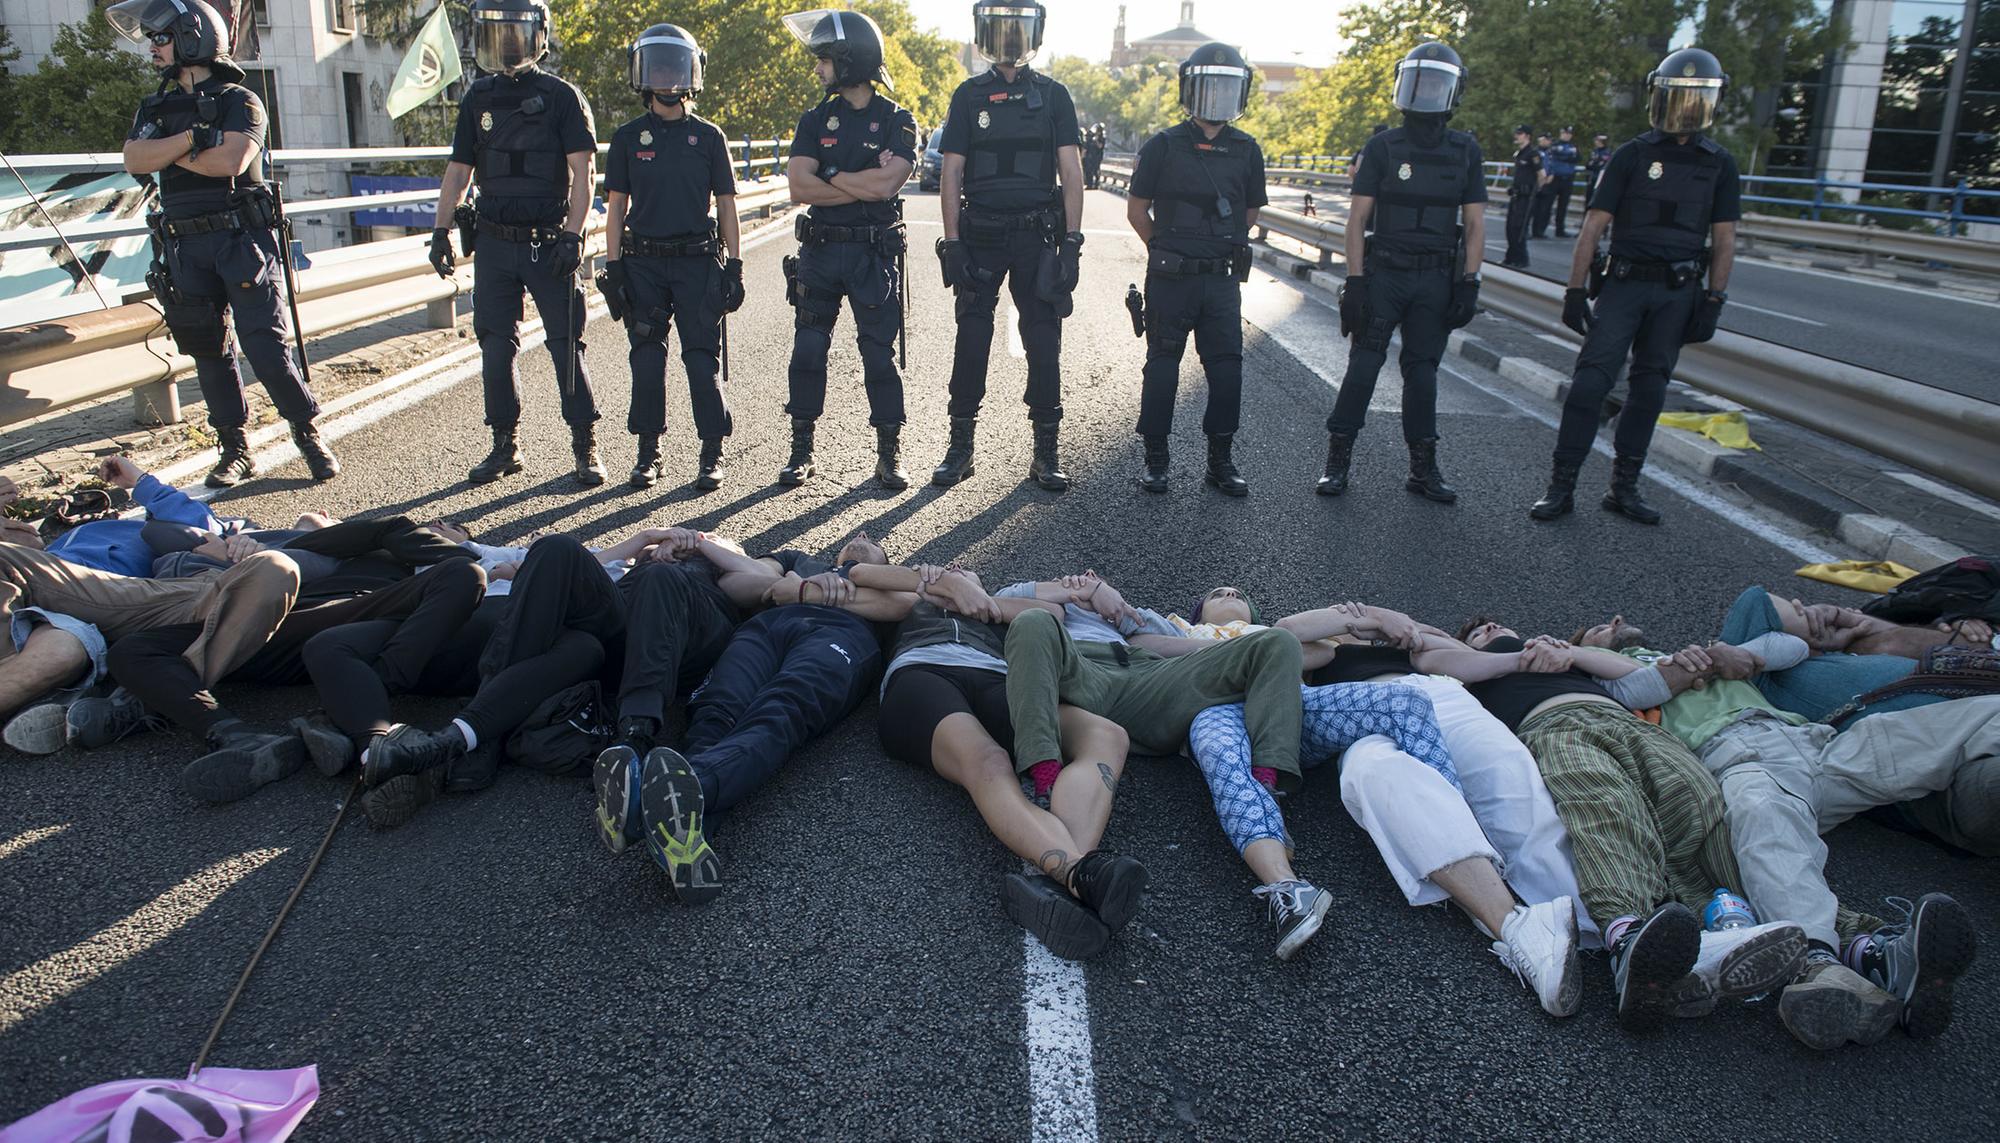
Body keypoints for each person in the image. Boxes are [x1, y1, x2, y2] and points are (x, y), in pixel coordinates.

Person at [1574, 612, 1985, 1043]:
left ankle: (1870, 962)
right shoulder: (1602, 685)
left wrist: (1739, 653)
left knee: (1981, 716)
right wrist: (1700, 663)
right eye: (1598, 626)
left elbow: (1791, 647)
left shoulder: (1695, 653)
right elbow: (1640, 687)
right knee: (1763, 817)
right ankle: (1819, 964)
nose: (1617, 619)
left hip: (1817, 743)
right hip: (1739, 756)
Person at [1450, 618, 1817, 1030]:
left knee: (1700, 805)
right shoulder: (1471, 671)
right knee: (1604, 806)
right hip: (1552, 726)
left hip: (1630, 725)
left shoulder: (1567, 659)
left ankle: (1752, 932)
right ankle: (1627, 933)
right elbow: (1442, 663)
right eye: (1478, 633)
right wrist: (1510, 657)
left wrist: (1569, 654)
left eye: (1494, 624)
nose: (1490, 629)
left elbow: (1643, 678)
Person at [110, 0, 338, 489]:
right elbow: (133, 158)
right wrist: (193, 139)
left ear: (192, 37)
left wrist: (169, 155)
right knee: (208, 351)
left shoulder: (241, 100)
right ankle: (235, 450)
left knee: (265, 347)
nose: (152, 47)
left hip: (240, 243)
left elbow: (231, 161)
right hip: (185, 248)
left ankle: (307, 432)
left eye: (161, 37)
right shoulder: (155, 105)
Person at [870, 565, 1138, 959]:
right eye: (949, 566)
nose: (957, 568)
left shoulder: (1005, 604)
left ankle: (1062, 879)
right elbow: (857, 573)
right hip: (922, 673)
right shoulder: (912, 596)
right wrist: (939, 583)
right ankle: (1074, 873)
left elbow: (1052, 614)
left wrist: (983, 601)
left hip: (999, 680)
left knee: (1108, 734)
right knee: (988, 759)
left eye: (967, 570)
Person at [1534, 47, 1741, 526]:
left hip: (1678, 293)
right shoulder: (1631, 155)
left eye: (1696, 99)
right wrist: (1574, 290)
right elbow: (1592, 227)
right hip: (1624, 287)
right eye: (1677, 97)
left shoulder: (1719, 164)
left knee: (1649, 392)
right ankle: (1560, 487)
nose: (1685, 109)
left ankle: (1622, 488)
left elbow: (1725, 238)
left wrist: (1714, 299)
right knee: (1589, 386)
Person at [428, 0, 603, 488]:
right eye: (495, 31)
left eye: (514, 31)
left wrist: (574, 235)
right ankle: (504, 445)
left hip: (550, 242)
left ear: (538, 34)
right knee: (494, 346)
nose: (506, 41)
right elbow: (459, 172)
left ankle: (585, 445)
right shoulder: (477, 96)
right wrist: (441, 230)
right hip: (495, 244)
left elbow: (584, 174)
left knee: (566, 344)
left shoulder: (562, 97)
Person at [1319, 41, 1482, 502]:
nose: (1427, 92)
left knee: (1423, 372)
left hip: (1435, 279)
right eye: (1421, 81)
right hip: (1386, 273)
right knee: (1364, 366)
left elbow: (1474, 225)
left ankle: (1422, 469)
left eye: (1437, 83)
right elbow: (1357, 220)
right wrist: (1354, 281)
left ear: (1453, 89)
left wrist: (1470, 282)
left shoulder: (1466, 150)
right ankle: (1337, 463)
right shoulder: (1383, 147)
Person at [931, 0, 1083, 492]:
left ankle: (1045, 452)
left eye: (1019, 29)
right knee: (971, 340)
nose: (1011, 39)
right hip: (981, 235)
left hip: (1037, 236)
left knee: (1043, 341)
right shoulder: (969, 95)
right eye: (1002, 29)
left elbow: (1071, 172)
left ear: (1034, 33)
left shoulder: (1054, 96)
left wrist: (1073, 244)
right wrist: (953, 243)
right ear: (986, 33)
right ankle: (960, 449)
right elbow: (951, 172)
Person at [775, 8, 917, 489]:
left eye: (825, 60)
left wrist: (831, 175)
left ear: (849, 60)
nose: (818, 69)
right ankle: (801, 449)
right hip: (820, 253)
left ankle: (888, 452)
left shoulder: (897, 119)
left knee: (879, 355)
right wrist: (860, 182)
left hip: (872, 257)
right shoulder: (816, 118)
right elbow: (799, 185)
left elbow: (891, 182)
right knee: (808, 352)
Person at [600, 24, 741, 492]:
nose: (666, 77)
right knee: (646, 361)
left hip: (698, 263)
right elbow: (616, 206)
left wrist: (735, 268)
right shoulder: (627, 138)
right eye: (656, 66)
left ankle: (711, 453)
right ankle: (648, 453)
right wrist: (614, 266)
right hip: (643, 265)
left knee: (702, 362)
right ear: (641, 73)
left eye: (675, 66)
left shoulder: (709, 137)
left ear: (692, 71)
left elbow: (725, 205)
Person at [1126, 42, 1266, 496]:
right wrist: (1165, 250)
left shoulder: (1247, 150)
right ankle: (1156, 460)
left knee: (1227, 371)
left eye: (1227, 88)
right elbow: (1137, 210)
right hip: (1171, 279)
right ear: (1191, 90)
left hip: (1221, 281)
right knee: (1163, 368)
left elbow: (1248, 214)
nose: (1218, 98)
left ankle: (1220, 462)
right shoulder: (1163, 146)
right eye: (1210, 87)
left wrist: (1213, 249)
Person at [1500, 125, 1539, 268]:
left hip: (1526, 197)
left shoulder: (1533, 154)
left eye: (1520, 134)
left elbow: (1542, 175)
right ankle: (1510, 257)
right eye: (1517, 133)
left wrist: (1534, 191)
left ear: (1527, 136)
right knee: (1510, 227)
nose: (1517, 136)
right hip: (1516, 195)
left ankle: (1522, 259)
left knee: (1519, 228)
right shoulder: (1520, 153)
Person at [1548, 127, 1581, 237]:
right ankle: (1540, 228)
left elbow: (1578, 158)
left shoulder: (1573, 146)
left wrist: (1567, 155)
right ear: (1561, 134)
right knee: (1547, 204)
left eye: (1569, 134)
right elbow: (1556, 155)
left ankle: (1560, 229)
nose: (1567, 135)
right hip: (1555, 178)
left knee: (1563, 206)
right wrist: (1568, 155)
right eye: (1565, 133)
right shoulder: (1555, 144)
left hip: (1567, 179)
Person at [1083, 122, 1108, 189]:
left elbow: (1100, 146)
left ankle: (1097, 184)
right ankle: (1089, 184)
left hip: (1097, 156)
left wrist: (1096, 140)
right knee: (1088, 170)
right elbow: (1087, 145)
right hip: (1090, 155)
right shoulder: (1092, 135)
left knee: (1096, 170)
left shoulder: (1102, 137)